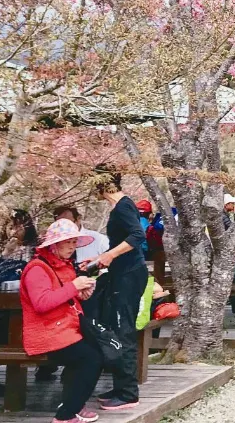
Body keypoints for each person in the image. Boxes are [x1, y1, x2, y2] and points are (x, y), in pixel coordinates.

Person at [19, 218, 101, 423]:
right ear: (54, 244)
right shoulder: (37, 268)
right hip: (46, 333)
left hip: (66, 328)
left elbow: (64, 296)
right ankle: (65, 415)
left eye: (74, 242)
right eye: (68, 242)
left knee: (97, 351)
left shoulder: (64, 265)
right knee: (91, 358)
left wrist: (81, 295)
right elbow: (42, 303)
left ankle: (74, 403)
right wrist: (74, 287)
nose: (72, 247)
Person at [84, 173, 149, 411]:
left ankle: (128, 393)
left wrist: (110, 255)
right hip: (121, 274)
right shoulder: (120, 207)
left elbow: (138, 235)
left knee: (124, 330)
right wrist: (100, 257)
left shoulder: (123, 206)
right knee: (116, 327)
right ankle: (120, 386)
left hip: (129, 276)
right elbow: (120, 243)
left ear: (102, 183)